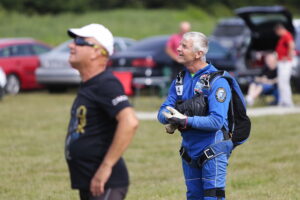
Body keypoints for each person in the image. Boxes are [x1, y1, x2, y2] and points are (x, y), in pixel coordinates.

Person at [64, 23, 139, 200]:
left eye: (80, 42)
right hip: (90, 181)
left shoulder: (106, 83)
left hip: (107, 182)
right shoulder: (89, 85)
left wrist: (106, 167)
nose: (71, 45)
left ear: (98, 51)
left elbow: (130, 122)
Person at [158, 32, 233, 200]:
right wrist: (171, 118)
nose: (178, 48)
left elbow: (216, 121)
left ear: (199, 54)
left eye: (184, 46)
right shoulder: (179, 80)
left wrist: (184, 120)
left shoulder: (217, 82)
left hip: (213, 149)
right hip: (189, 152)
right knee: (193, 197)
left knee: (212, 197)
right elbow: (162, 112)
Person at [274, 23, 295, 107]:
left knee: (284, 82)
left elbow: (291, 45)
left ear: (280, 29)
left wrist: (288, 56)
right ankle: (283, 100)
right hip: (281, 62)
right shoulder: (283, 37)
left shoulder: (287, 35)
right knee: (281, 82)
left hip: (285, 63)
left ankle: (288, 101)